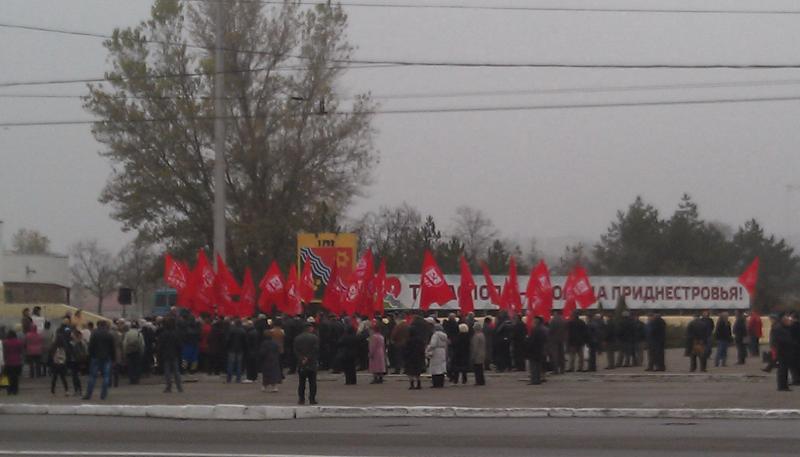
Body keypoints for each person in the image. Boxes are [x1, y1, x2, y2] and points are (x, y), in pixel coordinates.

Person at [83, 320, 116, 401]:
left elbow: (90, 346)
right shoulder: (109, 335)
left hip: (95, 357)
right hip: (107, 358)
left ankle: (88, 394)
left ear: (98, 325)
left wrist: (90, 355)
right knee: (106, 376)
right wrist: (113, 358)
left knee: (92, 376)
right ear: (105, 326)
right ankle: (103, 395)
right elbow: (112, 348)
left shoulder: (94, 334)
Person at [294, 323, 319, 405]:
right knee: (312, 383)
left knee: (301, 383)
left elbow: (295, 350)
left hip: (301, 363)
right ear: (309, 328)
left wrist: (302, 358)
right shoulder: (314, 338)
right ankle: (312, 399)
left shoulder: (297, 338)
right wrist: (308, 358)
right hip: (311, 363)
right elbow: (315, 349)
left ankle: (301, 399)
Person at [772, 314, 798, 391]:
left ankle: (783, 385)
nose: (789, 321)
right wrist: (793, 343)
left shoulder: (783, 328)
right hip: (782, 351)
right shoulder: (779, 329)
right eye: (787, 320)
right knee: (782, 369)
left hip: (785, 351)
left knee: (784, 369)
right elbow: (783, 340)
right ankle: (782, 386)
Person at [159, 317, 183, 393]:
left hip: (166, 354)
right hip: (174, 354)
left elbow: (160, 345)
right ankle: (179, 387)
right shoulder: (176, 333)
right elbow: (179, 344)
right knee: (176, 371)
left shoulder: (163, 334)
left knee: (167, 371)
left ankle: (168, 387)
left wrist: (160, 352)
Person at [526, 316, 548, 385]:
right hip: (541, 349)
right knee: (538, 365)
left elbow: (532, 341)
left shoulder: (535, 330)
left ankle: (534, 380)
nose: (532, 322)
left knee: (533, 366)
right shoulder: (543, 329)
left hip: (534, 350)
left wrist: (527, 345)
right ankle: (538, 379)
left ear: (536, 322)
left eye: (533, 321)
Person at [225, 319, 247, 383]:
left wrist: (227, 347)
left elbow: (228, 340)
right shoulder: (243, 331)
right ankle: (238, 379)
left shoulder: (231, 330)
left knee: (230, 364)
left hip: (232, 349)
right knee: (239, 365)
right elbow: (245, 342)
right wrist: (244, 348)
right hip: (240, 349)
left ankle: (229, 379)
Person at [2, 330, 24, 395]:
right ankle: (15, 390)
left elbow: (4, 352)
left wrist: (4, 360)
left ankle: (9, 390)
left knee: (8, 376)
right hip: (17, 361)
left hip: (8, 362)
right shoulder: (19, 342)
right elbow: (21, 351)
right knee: (15, 377)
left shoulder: (5, 342)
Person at [68, 329, 87, 396]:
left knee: (74, 376)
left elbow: (73, 352)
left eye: (73, 334)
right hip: (79, 361)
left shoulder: (74, 343)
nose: (71, 335)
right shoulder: (82, 342)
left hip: (75, 361)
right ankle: (78, 390)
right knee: (75, 376)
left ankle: (77, 390)